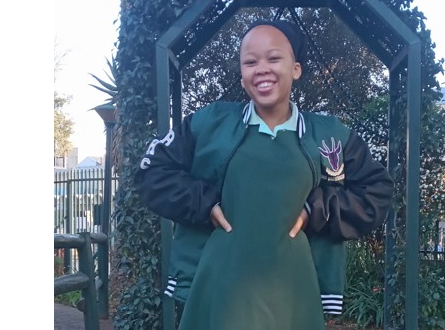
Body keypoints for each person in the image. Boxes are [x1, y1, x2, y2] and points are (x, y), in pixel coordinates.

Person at [135, 19, 394, 330]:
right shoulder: (210, 124)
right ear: (242, 74)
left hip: (296, 295)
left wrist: (316, 210)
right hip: (217, 292)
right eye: (250, 62)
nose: (262, 69)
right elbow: (153, 170)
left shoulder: (330, 136)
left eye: (273, 58)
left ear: (295, 69)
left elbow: (377, 191)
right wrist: (205, 204)